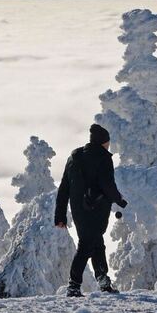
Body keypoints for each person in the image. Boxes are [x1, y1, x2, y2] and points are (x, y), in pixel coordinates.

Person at [55, 123, 127, 297]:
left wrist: (60, 215)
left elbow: (64, 187)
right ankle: (73, 285)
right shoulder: (103, 157)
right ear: (103, 142)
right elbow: (107, 184)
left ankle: (103, 280)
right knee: (87, 244)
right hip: (96, 208)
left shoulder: (75, 156)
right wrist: (120, 201)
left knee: (96, 242)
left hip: (78, 209)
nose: (108, 145)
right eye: (107, 142)